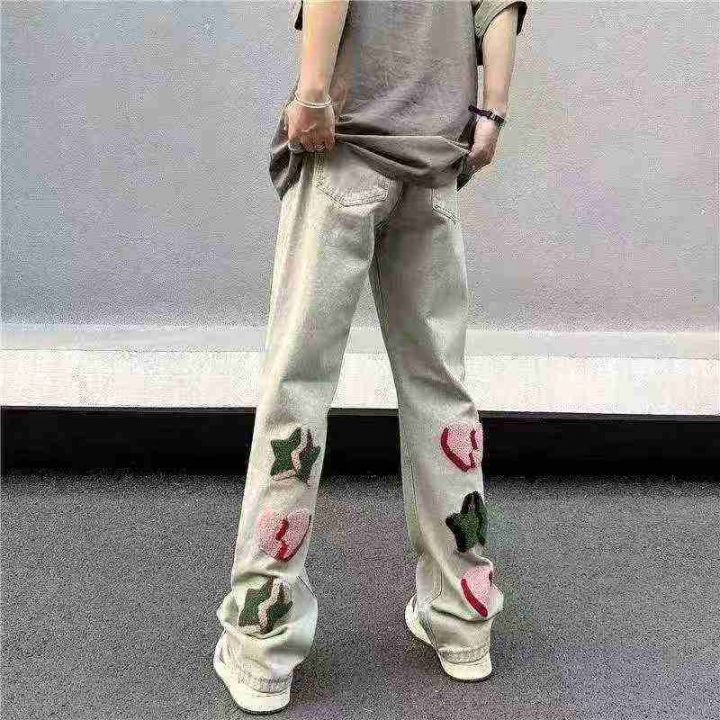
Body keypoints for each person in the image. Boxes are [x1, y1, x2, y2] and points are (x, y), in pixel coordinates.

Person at [214, 0, 527, 712]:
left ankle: (262, 647)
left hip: (344, 146)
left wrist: (311, 94)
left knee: (297, 386)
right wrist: (492, 112)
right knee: (441, 391)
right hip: (433, 155)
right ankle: (464, 620)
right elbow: (495, 8)